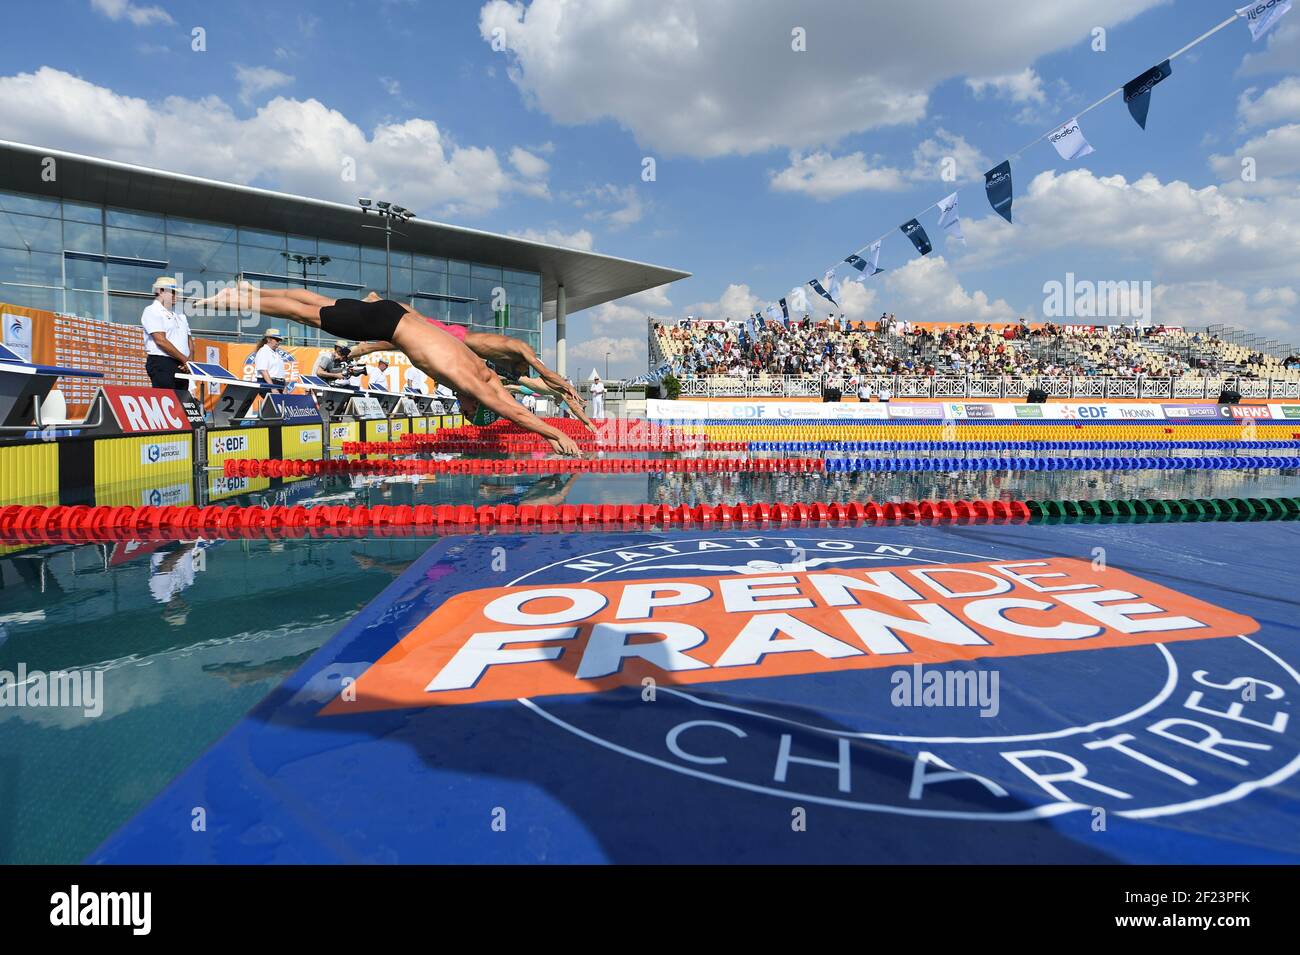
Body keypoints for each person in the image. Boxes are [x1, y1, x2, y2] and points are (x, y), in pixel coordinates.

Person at [192, 283, 580, 455]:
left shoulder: (484, 370)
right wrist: (552, 435)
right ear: (472, 404)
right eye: (465, 410)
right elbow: (509, 408)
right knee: (305, 314)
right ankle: (237, 299)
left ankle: (252, 291)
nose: (460, 407)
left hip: (396, 314)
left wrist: (557, 391)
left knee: (318, 304)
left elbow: (513, 394)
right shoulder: (470, 383)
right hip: (386, 325)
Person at [346, 293, 592, 432]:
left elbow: (543, 386)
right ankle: (369, 328)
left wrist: (574, 404)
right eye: (466, 411)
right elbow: (545, 378)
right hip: (458, 339)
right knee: (409, 329)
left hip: (461, 342)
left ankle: (371, 324)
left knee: (411, 327)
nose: (460, 407)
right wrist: (567, 390)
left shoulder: (507, 369)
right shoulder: (517, 355)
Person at [141, 276, 192, 389]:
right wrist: (185, 360)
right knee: (166, 403)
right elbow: (161, 340)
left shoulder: (181, 315)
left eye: (177, 293)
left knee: (182, 403)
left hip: (182, 365)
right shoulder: (152, 310)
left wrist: (189, 362)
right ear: (161, 291)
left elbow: (189, 340)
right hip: (163, 362)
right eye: (173, 292)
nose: (176, 296)